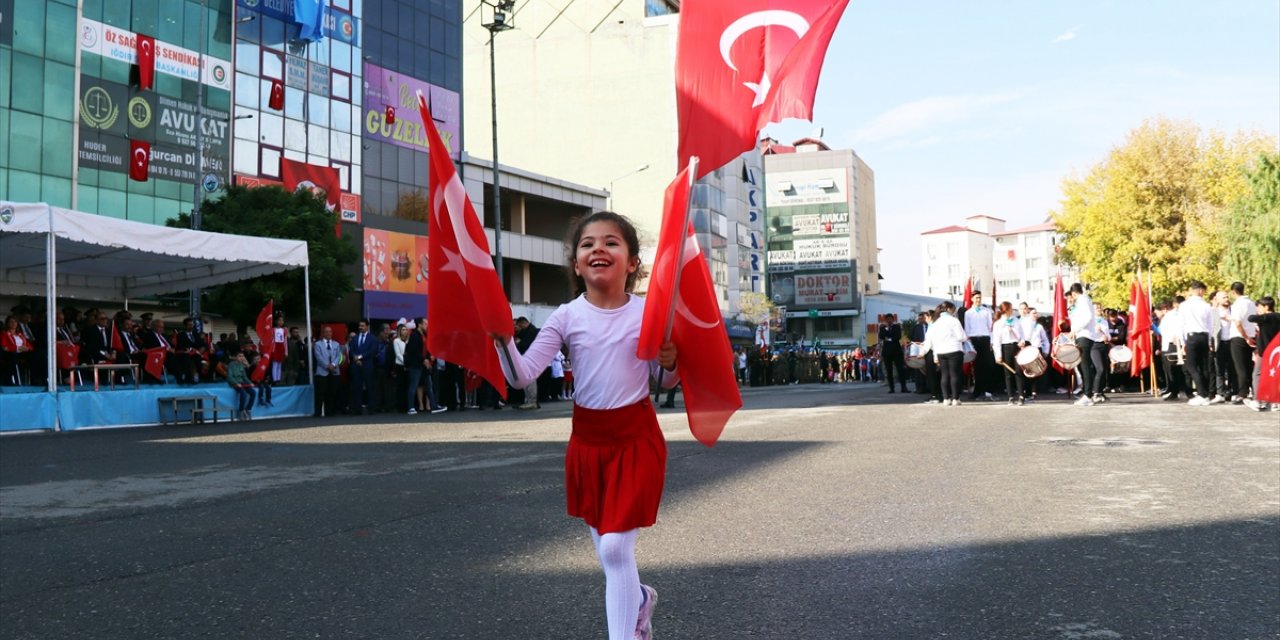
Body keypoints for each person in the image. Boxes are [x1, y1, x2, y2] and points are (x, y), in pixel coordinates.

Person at [494, 212, 678, 640]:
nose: (598, 249)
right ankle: (641, 599)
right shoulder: (565, 316)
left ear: (632, 262)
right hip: (588, 445)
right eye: (587, 244)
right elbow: (522, 376)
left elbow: (662, 381)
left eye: (612, 243)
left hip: (636, 438)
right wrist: (503, 340)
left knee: (615, 549)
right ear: (576, 264)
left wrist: (671, 364)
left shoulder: (649, 313)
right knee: (613, 558)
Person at [921, 301, 967, 406]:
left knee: (944, 375)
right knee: (954, 375)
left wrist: (935, 354)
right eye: (954, 309)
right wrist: (965, 338)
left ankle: (946, 398)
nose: (954, 312)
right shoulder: (954, 320)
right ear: (949, 309)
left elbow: (934, 340)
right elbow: (961, 337)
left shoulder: (936, 322)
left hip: (941, 351)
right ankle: (955, 398)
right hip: (954, 349)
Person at [1179, 281, 1216, 406]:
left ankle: (1202, 394)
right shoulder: (1206, 306)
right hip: (1204, 336)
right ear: (1200, 290)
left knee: (1192, 366)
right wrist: (1210, 339)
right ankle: (1205, 394)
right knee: (1204, 366)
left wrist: (1182, 341)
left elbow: (1182, 324)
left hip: (1191, 336)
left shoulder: (1184, 305)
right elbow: (1211, 325)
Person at [1066, 283, 1104, 406]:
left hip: (1084, 335)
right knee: (1084, 366)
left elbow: (1086, 318)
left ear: (1073, 293)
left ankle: (1088, 394)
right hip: (1081, 335)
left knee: (1085, 365)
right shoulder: (1081, 302)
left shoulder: (1083, 300)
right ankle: (1088, 393)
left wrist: (1074, 330)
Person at [1227, 281, 1258, 405]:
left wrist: (1244, 337)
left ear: (1233, 292)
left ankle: (1242, 393)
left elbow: (1238, 323)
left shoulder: (1237, 305)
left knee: (1240, 366)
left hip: (1239, 337)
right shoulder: (1251, 303)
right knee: (1249, 365)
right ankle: (1253, 390)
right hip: (1251, 336)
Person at [1245, 296, 1279, 411]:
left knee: (1257, 374)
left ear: (1266, 307)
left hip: (1265, 351)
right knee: (1274, 375)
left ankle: (1257, 400)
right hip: (1276, 352)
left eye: (1259, 307)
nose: (1257, 310)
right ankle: (1274, 402)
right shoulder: (1278, 316)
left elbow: (1250, 318)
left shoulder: (1265, 317)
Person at [992, 302, 1027, 405]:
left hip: (1016, 347)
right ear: (1006, 309)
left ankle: (1021, 396)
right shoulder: (998, 324)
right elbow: (996, 341)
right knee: (1008, 374)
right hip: (1005, 347)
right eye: (1011, 308)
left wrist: (1022, 341)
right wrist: (998, 355)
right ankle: (1010, 397)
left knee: (1018, 372)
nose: (1013, 310)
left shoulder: (1016, 320)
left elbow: (1022, 335)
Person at [963, 292, 996, 400]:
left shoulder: (986, 311)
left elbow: (990, 327)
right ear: (972, 299)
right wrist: (969, 344)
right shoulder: (968, 313)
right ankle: (977, 391)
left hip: (985, 339)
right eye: (976, 298)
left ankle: (987, 390)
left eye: (980, 298)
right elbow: (967, 329)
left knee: (987, 365)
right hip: (974, 340)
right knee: (976, 367)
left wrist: (991, 342)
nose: (978, 300)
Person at [346, 320, 377, 415]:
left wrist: (360, 357)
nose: (361, 327)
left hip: (367, 365)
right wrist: (356, 359)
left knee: (369, 387)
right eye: (360, 326)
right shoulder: (355, 338)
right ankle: (357, 409)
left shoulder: (372, 338)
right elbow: (351, 350)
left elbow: (373, 350)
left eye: (363, 326)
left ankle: (371, 408)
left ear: (367, 327)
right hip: (356, 366)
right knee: (356, 387)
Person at [313, 326, 343, 417]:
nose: (329, 333)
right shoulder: (318, 344)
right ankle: (318, 412)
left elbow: (339, 356)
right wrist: (327, 366)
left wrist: (333, 365)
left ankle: (329, 411)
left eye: (330, 332)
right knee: (320, 393)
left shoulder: (336, 344)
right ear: (323, 333)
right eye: (327, 332)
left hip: (334, 371)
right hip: (322, 372)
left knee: (332, 392)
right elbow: (318, 357)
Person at [514, 317, 541, 409]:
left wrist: (519, 342)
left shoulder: (532, 332)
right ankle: (528, 400)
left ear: (524, 323)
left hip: (530, 359)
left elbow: (525, 345)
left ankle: (532, 401)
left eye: (520, 326)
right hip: (529, 358)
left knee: (530, 380)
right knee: (527, 379)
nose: (519, 328)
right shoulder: (529, 332)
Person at [880, 314, 908, 393]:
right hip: (887, 352)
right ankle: (891, 388)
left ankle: (904, 387)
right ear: (885, 320)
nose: (889, 320)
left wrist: (888, 338)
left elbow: (898, 336)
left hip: (897, 352)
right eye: (887, 319)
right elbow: (881, 336)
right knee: (889, 371)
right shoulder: (882, 328)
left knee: (900, 369)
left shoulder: (897, 327)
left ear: (893, 319)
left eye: (890, 319)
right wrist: (890, 338)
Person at [226, 352, 255, 420]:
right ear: (235, 357)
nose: (241, 358)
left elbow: (244, 377)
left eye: (242, 356)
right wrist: (236, 383)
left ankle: (248, 409)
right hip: (234, 383)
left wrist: (250, 383)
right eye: (239, 356)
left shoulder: (241, 365)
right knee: (243, 393)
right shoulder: (231, 365)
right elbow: (229, 376)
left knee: (253, 392)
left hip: (242, 383)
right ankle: (241, 410)